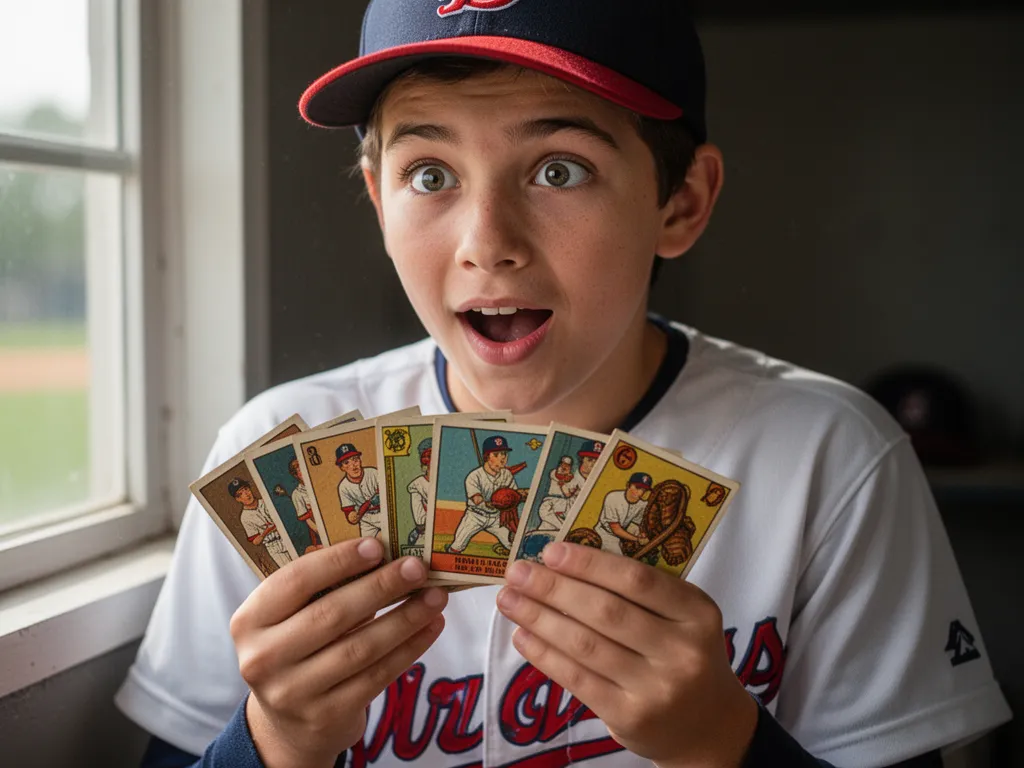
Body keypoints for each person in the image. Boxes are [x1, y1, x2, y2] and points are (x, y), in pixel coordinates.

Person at [117, 1, 1012, 766]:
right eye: (429, 174)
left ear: (681, 203)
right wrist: (274, 739)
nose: (488, 242)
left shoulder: (833, 456)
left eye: (559, 170)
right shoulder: (279, 454)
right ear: (379, 199)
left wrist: (723, 743)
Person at [228, 478, 292, 571]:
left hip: (287, 536)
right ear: (238, 499)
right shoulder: (245, 517)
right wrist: (267, 531)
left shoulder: (266, 501)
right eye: (241, 493)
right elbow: (256, 541)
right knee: (291, 570)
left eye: (246, 489)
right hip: (273, 546)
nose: (246, 494)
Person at [597, 472, 653, 553]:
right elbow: (615, 529)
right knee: (617, 556)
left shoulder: (642, 505)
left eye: (644, 490)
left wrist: (641, 535)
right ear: (628, 485)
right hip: (606, 533)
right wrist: (637, 539)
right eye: (637, 487)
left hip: (623, 533)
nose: (640, 492)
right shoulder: (613, 497)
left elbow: (634, 525)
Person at [335, 443, 381, 539]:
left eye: (355, 459)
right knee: (368, 546)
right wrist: (352, 516)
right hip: (366, 520)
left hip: (382, 513)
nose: (353, 465)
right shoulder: (343, 487)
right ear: (342, 468)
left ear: (360, 460)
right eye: (346, 463)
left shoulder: (373, 473)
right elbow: (350, 513)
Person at [288, 458, 321, 549]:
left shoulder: (319, 483)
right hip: (317, 531)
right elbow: (307, 519)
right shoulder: (297, 494)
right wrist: (320, 531)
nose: (305, 472)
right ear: (296, 475)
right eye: (300, 470)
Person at [406, 438, 432, 546]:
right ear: (424, 459)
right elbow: (420, 521)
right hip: (425, 535)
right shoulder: (417, 485)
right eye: (430, 456)